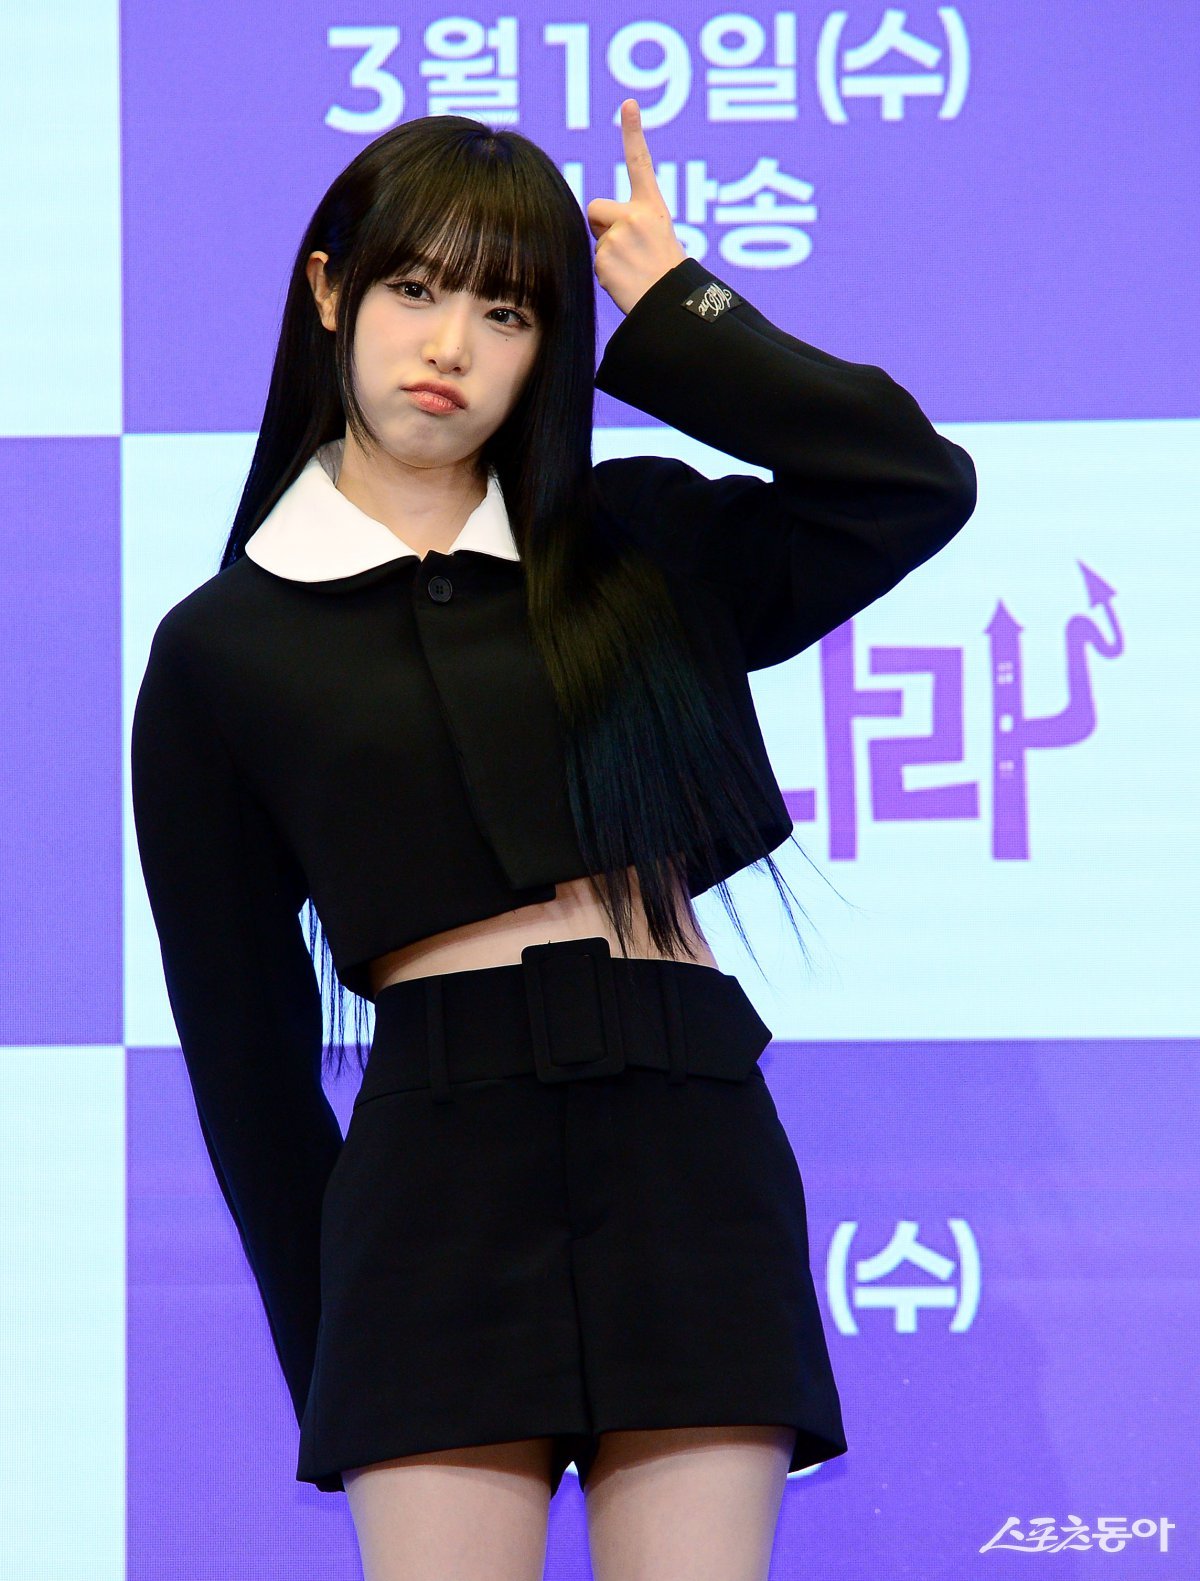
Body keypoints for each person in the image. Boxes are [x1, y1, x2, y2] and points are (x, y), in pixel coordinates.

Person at [131, 98, 976, 1581]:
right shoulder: (222, 649)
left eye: (508, 310)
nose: (449, 344)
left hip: (683, 1137)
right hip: (433, 1177)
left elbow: (910, 483)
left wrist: (679, 307)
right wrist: (339, 1360)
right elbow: (247, 1071)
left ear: (550, 345)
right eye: (414, 288)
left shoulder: (637, 545)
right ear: (329, 292)